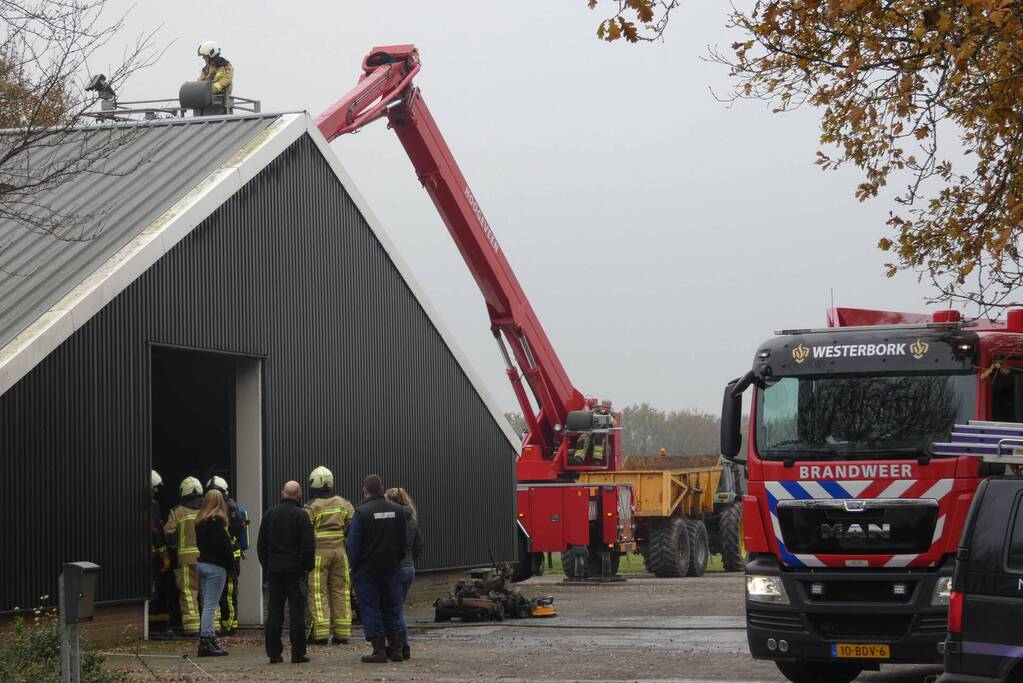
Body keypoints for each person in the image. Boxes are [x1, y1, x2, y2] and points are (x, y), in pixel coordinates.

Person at [347, 474, 407, 664]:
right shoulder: (398, 511)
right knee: (392, 607)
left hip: (367, 571)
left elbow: (354, 546)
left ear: (365, 491)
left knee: (371, 608)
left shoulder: (361, 513)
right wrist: (396, 560)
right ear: (382, 489)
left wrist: (355, 567)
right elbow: (403, 543)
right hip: (392, 569)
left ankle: (379, 650)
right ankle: (396, 649)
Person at [257, 481, 315, 664]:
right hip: (295, 570)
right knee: (297, 612)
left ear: (283, 493)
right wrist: (307, 566)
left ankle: (274, 653)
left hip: (275, 570)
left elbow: (261, 545)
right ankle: (298, 653)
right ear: (299, 495)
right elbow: (308, 547)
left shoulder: (269, 515)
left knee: (274, 611)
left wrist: (267, 564)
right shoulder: (302, 516)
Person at [305, 466, 355, 645]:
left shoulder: (312, 506)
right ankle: (342, 633)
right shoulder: (344, 503)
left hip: (319, 554)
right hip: (341, 553)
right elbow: (353, 525)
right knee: (341, 591)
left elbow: (305, 531)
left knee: (318, 592)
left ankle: (320, 633)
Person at [195, 489, 235, 657]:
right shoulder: (217, 521)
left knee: (207, 605)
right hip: (216, 567)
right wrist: (231, 565)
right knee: (211, 606)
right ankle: (206, 640)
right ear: (220, 502)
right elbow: (224, 547)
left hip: (202, 564)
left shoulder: (200, 522)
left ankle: (210, 637)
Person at [385, 487, 424, 661]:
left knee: (395, 609)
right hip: (410, 569)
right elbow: (419, 546)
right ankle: (402, 645)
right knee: (399, 607)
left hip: (396, 569)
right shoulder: (413, 521)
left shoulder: (391, 520)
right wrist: (410, 560)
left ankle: (402, 646)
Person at [164, 477, 204, 635]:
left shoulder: (177, 511)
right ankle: (213, 626)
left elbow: (169, 535)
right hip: (207, 559)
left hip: (186, 561)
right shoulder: (207, 509)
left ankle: (192, 627)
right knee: (208, 592)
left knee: (189, 592)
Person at [205, 476, 245, 635]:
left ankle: (229, 626)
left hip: (227, 555)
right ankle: (228, 624)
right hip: (229, 554)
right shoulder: (231, 507)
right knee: (228, 591)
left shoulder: (225, 509)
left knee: (226, 592)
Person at [149, 471, 174, 638]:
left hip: (150, 557)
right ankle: (152, 627)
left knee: (155, 590)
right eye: (155, 488)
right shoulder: (152, 506)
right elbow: (156, 531)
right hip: (153, 559)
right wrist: (164, 554)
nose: (156, 491)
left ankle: (153, 625)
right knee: (153, 591)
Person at [570, 399, 615, 465]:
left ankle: (597, 460)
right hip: (591, 431)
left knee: (599, 437)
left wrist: (609, 417)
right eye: (603, 406)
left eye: (606, 407)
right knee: (584, 436)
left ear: (609, 408)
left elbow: (614, 424)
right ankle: (579, 458)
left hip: (602, 433)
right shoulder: (594, 411)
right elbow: (586, 419)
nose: (604, 408)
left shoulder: (611, 415)